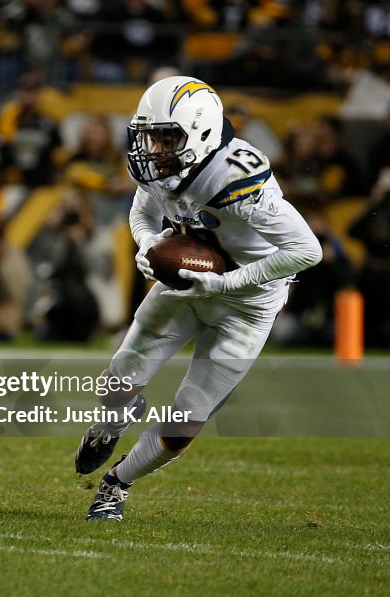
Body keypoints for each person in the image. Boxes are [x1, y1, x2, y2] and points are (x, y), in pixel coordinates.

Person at [74, 76, 321, 521]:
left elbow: (306, 250)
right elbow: (142, 211)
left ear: (201, 134)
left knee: (185, 423)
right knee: (115, 385)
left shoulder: (234, 177)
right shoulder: (161, 169)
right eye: (150, 138)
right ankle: (114, 420)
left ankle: (116, 483)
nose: (155, 150)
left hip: (246, 305)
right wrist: (148, 245)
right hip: (188, 286)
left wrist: (226, 284)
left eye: (168, 138)